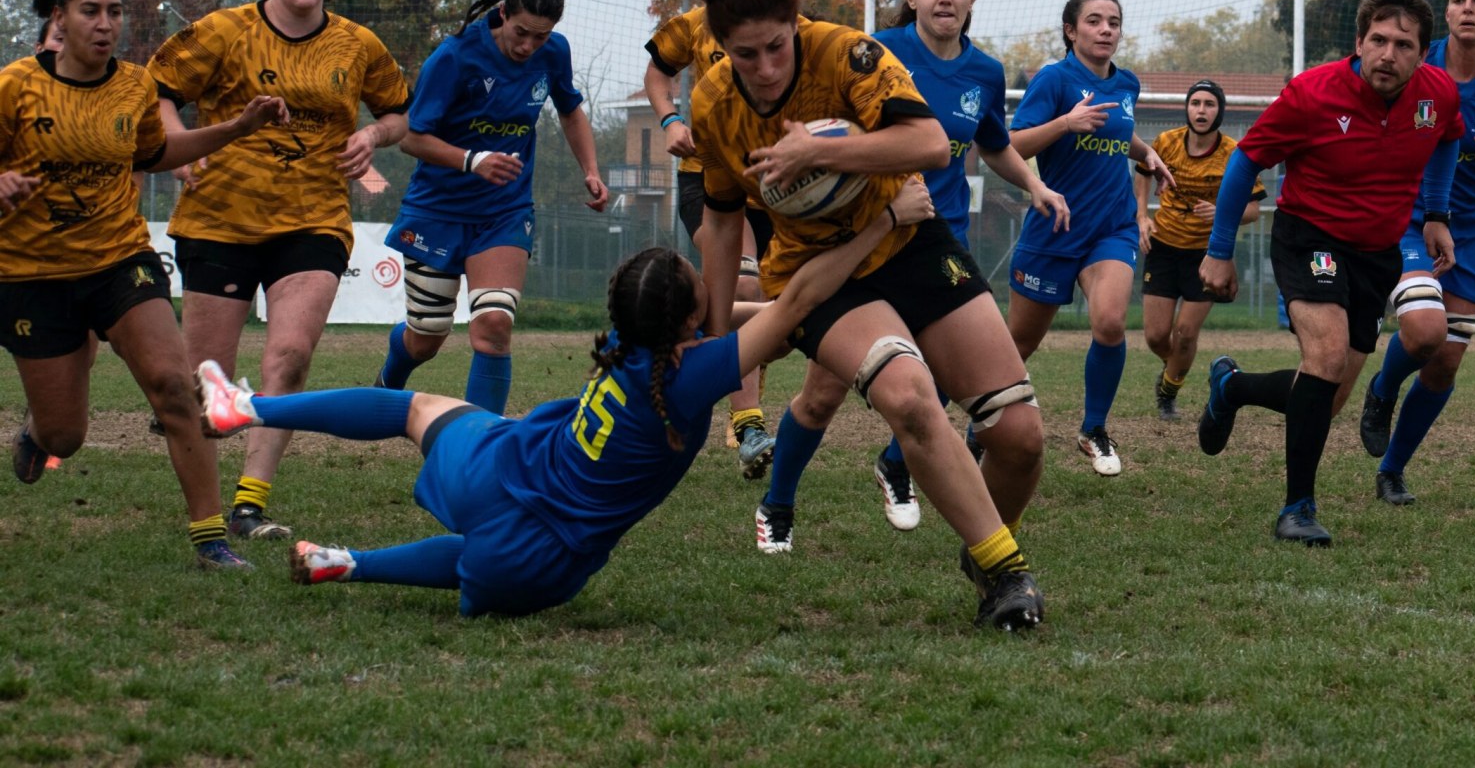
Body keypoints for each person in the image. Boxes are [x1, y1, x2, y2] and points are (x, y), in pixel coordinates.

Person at [195, 183, 1019, 621]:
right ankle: (355, 563)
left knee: (416, 411)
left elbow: (756, 316)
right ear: (685, 316)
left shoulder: (632, 340)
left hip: (509, 464)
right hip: (543, 552)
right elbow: (795, 303)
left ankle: (251, 410)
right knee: (482, 561)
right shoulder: (692, 376)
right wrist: (880, 226)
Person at [689, 0, 1044, 625]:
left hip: (911, 238)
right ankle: (1006, 571)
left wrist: (815, 148)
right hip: (818, 273)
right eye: (744, 54)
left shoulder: (847, 53)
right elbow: (722, 218)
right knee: (909, 396)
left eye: (774, 48)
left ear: (796, 24)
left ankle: (984, 545)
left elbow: (931, 146)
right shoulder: (712, 105)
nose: (763, 68)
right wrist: (713, 343)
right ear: (722, 46)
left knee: (1020, 435)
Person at [753, 0, 1069, 539]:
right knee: (822, 395)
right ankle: (778, 505)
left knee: (952, 376)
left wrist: (1035, 185)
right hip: (862, 239)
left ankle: (896, 467)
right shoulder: (874, 53)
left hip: (933, 240)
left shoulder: (985, 72)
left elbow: (993, 142)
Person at [2, 0, 286, 567]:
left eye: (115, 12)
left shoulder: (133, 86)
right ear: (60, 18)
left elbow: (155, 154)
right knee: (66, 436)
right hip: (32, 277)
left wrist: (235, 129)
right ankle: (36, 434)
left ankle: (209, 538)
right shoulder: (14, 87)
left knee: (171, 384)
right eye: (90, 12)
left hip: (119, 259)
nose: (106, 24)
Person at [149, 0, 412, 542]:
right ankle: (207, 514)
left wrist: (372, 134)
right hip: (219, 218)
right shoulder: (222, 31)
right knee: (205, 383)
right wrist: (180, 149)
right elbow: (156, 89)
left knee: (290, 358)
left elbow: (399, 111)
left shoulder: (356, 45)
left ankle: (249, 507)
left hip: (313, 219)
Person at [1196, 0, 1463, 547]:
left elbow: (1447, 141)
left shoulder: (1438, 94)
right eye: (1379, 40)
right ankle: (1297, 508)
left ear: (1422, 53)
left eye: (1404, 45)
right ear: (1359, 41)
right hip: (1308, 236)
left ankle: (1234, 387)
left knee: (1329, 390)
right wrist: (1219, 250)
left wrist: (1435, 212)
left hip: (1377, 252)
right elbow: (1246, 161)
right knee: (1326, 354)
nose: (1389, 54)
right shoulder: (1312, 94)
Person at [374, 0, 609, 412]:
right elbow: (410, 138)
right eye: (522, 33)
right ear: (503, 14)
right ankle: (390, 376)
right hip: (436, 210)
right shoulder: (455, 56)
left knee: (494, 326)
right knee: (426, 338)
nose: (529, 46)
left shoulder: (553, 52)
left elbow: (571, 109)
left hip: (504, 211)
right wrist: (472, 160)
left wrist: (591, 171)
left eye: (540, 36)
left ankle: (483, 450)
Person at [1354, 0, 1475, 505]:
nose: (1466, 8)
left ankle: (1392, 469)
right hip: (1407, 216)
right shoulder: (1415, 58)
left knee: (1445, 360)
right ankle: (1382, 390)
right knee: (1422, 331)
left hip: (1471, 228)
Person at [642, 0, 806, 479]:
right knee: (742, 286)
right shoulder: (696, 22)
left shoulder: (808, 38)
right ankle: (749, 427)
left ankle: (671, 355)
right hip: (710, 178)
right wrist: (668, 120)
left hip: (785, 184)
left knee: (780, 311)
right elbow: (657, 71)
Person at [1005, 0, 1175, 476]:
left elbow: (1118, 132)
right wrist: (1065, 122)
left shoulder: (1127, 83)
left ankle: (1094, 428)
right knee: (1018, 345)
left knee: (1110, 323)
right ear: (1070, 30)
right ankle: (983, 427)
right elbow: (1012, 144)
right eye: (1095, 21)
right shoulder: (1054, 80)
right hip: (1054, 227)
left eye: (1114, 22)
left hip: (1112, 227)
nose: (1106, 29)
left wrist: (1146, 155)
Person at [1134, 78, 1264, 421]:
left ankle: (1167, 392)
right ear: (1187, 108)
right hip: (1163, 247)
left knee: (1186, 333)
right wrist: (1141, 216)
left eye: (1209, 104)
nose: (1201, 110)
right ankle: (1175, 364)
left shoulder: (1234, 153)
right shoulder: (1166, 141)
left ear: (1219, 110)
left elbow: (1252, 210)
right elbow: (1144, 171)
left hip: (1205, 255)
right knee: (1156, 336)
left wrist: (1222, 212)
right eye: (1196, 103)